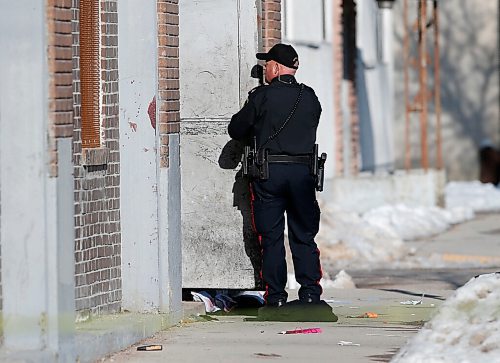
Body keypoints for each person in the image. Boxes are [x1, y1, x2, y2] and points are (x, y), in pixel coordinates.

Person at [228, 43, 327, 312]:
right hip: (303, 174)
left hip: (268, 174)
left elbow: (236, 129)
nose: (264, 70)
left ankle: (276, 297)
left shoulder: (262, 96)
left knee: (271, 237)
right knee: (304, 236)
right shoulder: (310, 97)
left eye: (266, 65)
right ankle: (310, 294)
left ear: (274, 67)